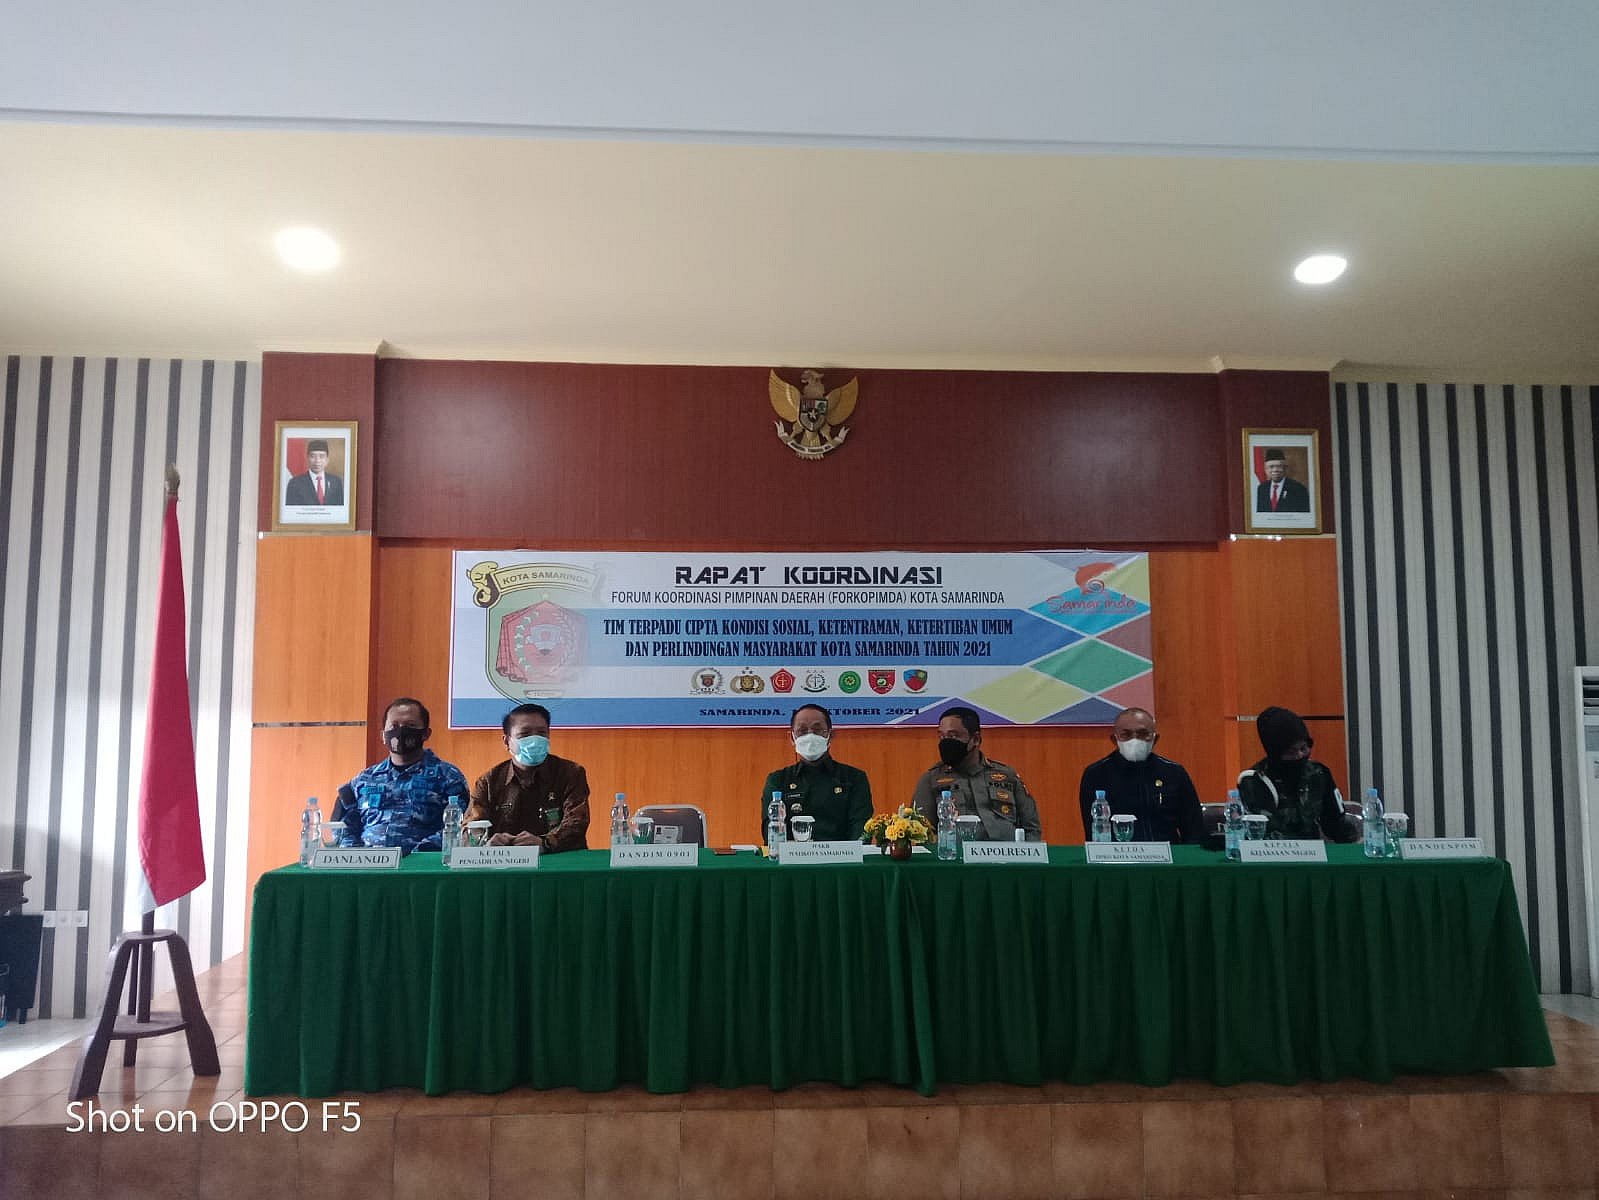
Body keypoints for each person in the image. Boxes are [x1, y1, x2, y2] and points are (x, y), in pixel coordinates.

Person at [339, 697, 468, 851]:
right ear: (383, 735)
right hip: (368, 862)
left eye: (410, 725)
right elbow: (344, 827)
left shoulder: (448, 777)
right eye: (394, 726)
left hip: (422, 862)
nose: (400, 731)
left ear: (426, 733)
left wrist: (419, 853)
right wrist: (354, 856)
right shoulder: (364, 779)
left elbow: (459, 827)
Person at [463, 702, 591, 850]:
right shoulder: (488, 781)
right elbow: (471, 827)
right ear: (507, 741)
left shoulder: (571, 773)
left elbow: (577, 823)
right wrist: (485, 843)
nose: (535, 740)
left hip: (558, 858)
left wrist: (545, 843)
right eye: (525, 734)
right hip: (505, 860)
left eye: (541, 733)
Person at [911, 706, 1042, 841]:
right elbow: (921, 834)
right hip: (956, 853)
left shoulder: (1007, 775)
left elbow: (1032, 828)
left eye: (953, 736)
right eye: (942, 736)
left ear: (975, 739)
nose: (946, 742)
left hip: (1007, 852)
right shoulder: (930, 780)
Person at [1076, 706, 1204, 843]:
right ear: (1114, 739)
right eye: (1126, 734)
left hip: (1168, 853)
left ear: (1155, 739)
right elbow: (1093, 832)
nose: (1135, 740)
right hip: (1115, 854)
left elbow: (1194, 829)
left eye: (1143, 734)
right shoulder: (1096, 774)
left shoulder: (1174, 773)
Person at [1236, 705, 1355, 841]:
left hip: (1316, 851)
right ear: (1275, 754)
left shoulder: (1319, 773)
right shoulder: (1254, 780)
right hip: (1274, 852)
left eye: (1303, 749)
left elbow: (1336, 824)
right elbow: (1267, 833)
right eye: (1291, 752)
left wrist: (1354, 840)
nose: (1299, 756)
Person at [759, 704, 872, 843]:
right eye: (802, 730)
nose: (810, 735)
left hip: (843, 856)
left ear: (830, 735)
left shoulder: (854, 778)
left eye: (818, 730)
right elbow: (771, 835)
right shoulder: (778, 780)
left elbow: (861, 831)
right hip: (792, 856)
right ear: (792, 738)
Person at [285, 438, 344, 507]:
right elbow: (291, 511)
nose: (317, 461)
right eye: (313, 456)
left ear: (327, 460)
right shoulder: (295, 483)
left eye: (321, 456)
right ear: (307, 459)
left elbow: (341, 509)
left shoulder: (336, 482)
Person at [1254, 448, 1310, 513]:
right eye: (1271, 467)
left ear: (1285, 468)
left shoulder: (1299, 489)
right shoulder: (1261, 488)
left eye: (1279, 466)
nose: (1275, 470)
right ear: (1265, 469)